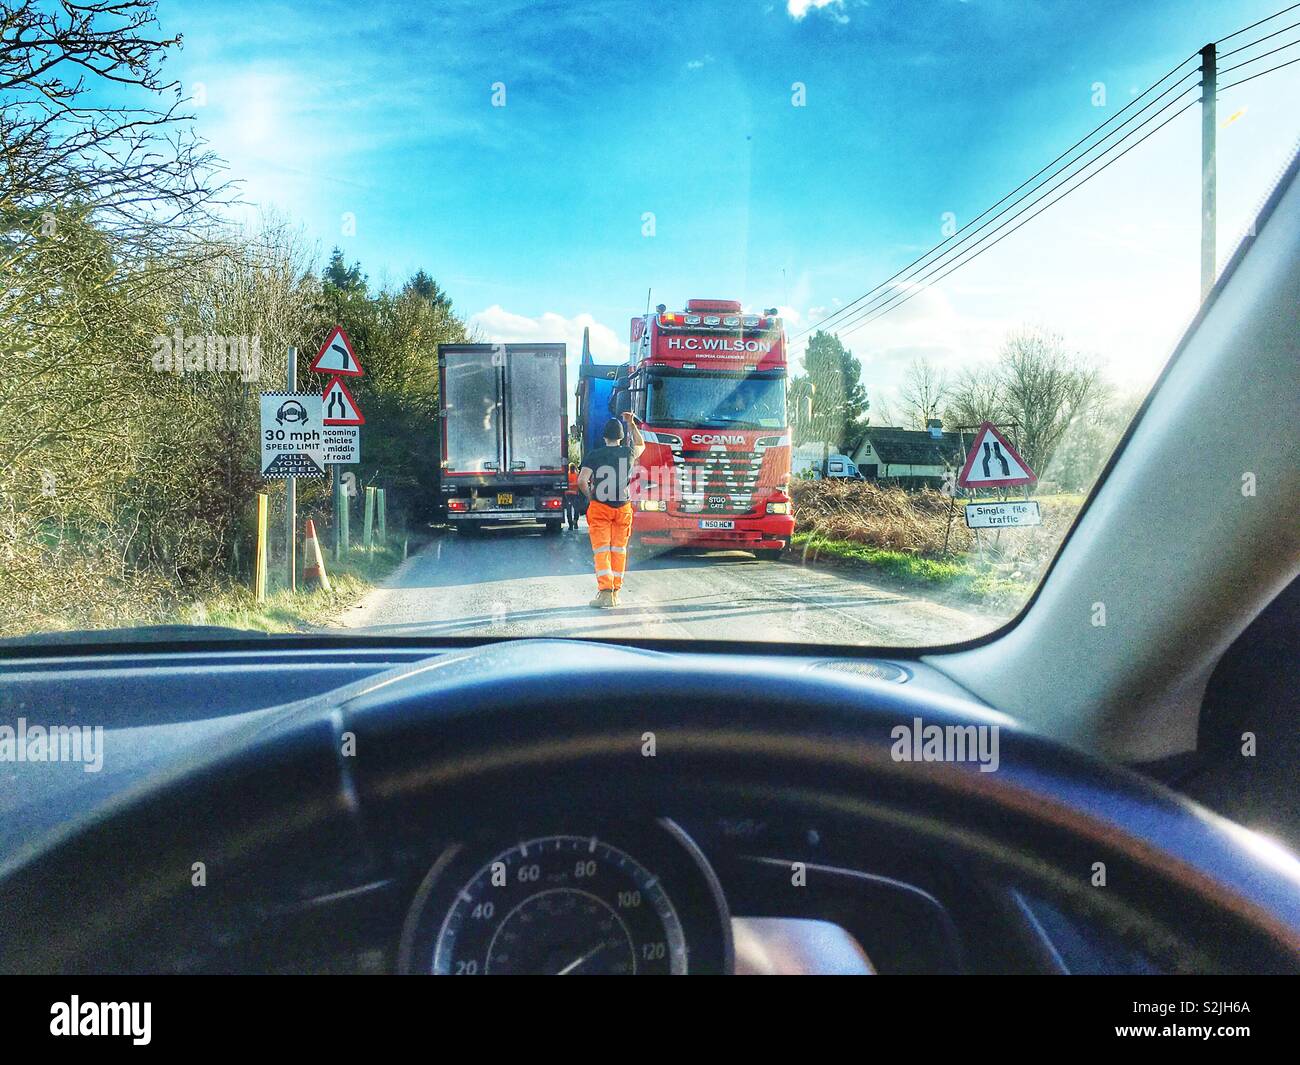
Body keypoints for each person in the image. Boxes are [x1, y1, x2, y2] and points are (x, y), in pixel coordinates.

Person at [577, 412, 644, 609]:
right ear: (621, 437)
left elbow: (582, 480)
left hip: (601, 507)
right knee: (619, 550)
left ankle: (605, 593)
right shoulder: (629, 453)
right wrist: (631, 424)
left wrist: (591, 496)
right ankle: (616, 593)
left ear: (604, 437)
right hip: (623, 508)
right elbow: (641, 444)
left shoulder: (594, 455)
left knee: (602, 550)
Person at [564, 462, 580, 530]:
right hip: (574, 494)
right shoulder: (577, 475)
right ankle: (575, 521)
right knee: (576, 509)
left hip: (568, 495)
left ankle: (571, 524)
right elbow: (579, 484)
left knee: (569, 510)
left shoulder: (567, 475)